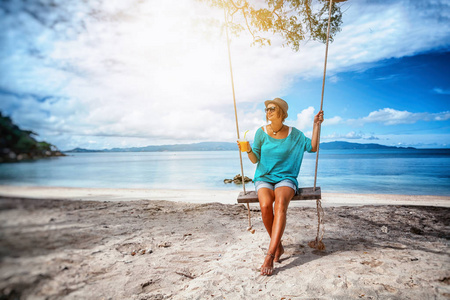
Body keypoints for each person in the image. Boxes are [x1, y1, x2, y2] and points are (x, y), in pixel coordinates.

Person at [238, 98, 324, 276]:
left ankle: (270, 254)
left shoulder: (295, 134)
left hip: (286, 178)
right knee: (265, 206)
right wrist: (247, 150)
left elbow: (313, 147)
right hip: (264, 177)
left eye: (272, 109)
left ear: (281, 113)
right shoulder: (261, 133)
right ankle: (278, 246)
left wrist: (316, 125)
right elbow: (255, 159)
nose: (267, 112)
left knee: (280, 205)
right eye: (266, 109)